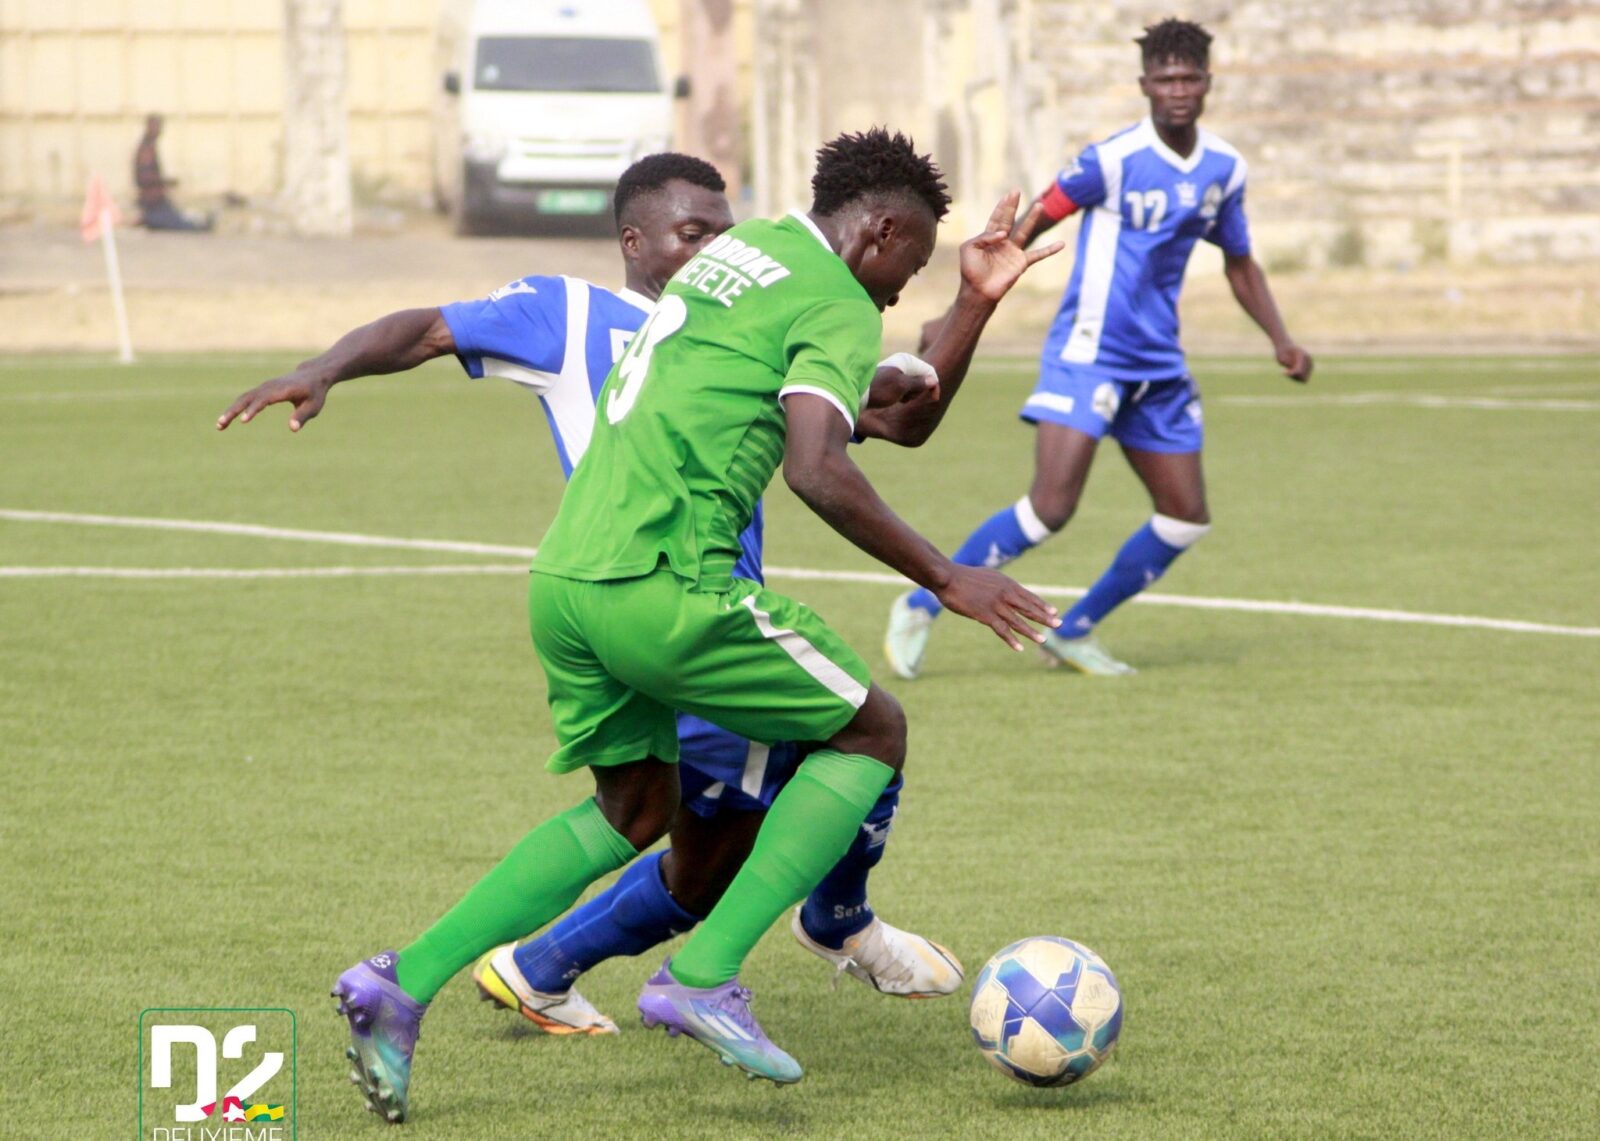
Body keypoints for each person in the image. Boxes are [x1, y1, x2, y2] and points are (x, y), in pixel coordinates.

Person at [220, 139, 1060, 1113]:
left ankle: (398, 982)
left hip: (567, 587)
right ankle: (716, 969)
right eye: (905, 268)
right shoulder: (821, 297)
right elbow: (819, 468)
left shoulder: (732, 276)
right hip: (674, 590)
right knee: (872, 732)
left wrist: (971, 304)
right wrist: (946, 576)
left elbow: (897, 413)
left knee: (638, 813)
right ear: (878, 231)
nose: (890, 295)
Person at [884, 18, 1313, 679]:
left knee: (1185, 517)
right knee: (1051, 507)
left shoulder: (1224, 170)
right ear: (1144, 84)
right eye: (1165, 77)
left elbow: (1240, 262)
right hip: (1090, 352)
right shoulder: (1110, 160)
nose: (1177, 89)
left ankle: (1075, 629)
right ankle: (921, 602)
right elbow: (1032, 223)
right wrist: (955, 310)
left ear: (1207, 83)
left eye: (1189, 77)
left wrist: (1281, 339)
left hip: (1160, 367)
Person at [133, 114, 213, 232]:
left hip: (157, 201)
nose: (159, 131)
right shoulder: (145, 150)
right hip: (153, 202)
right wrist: (165, 181)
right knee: (178, 224)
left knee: (177, 219)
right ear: (149, 127)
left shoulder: (149, 147)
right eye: (156, 126)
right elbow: (144, 178)